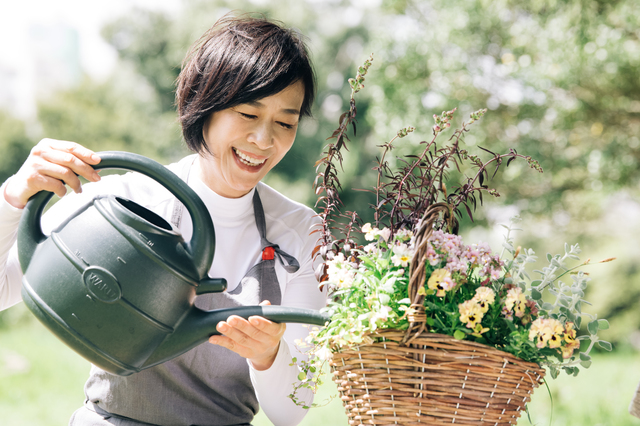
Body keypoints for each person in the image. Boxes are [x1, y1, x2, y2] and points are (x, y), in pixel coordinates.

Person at [0, 14, 326, 426]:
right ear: (202, 104)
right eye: (247, 113)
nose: (264, 141)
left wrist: (268, 355)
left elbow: (290, 411)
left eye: (285, 122)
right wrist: (12, 198)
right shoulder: (124, 198)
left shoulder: (302, 232)